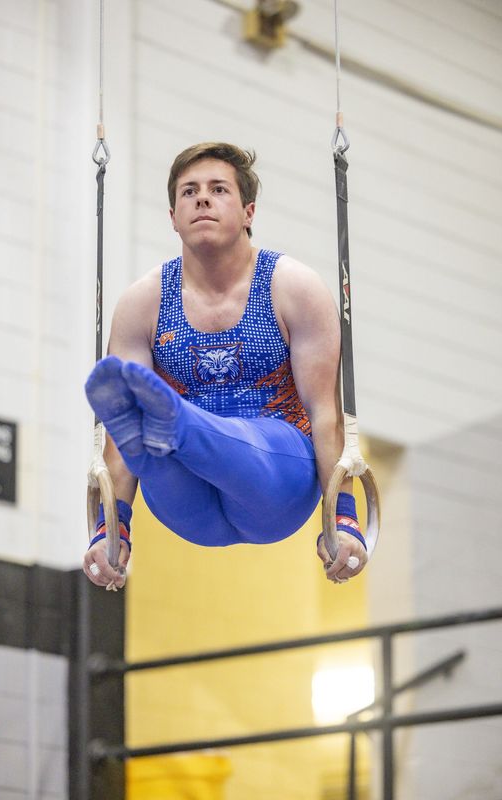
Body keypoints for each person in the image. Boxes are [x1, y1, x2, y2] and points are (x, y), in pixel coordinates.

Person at [83, 142, 367, 590]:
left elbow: (325, 415)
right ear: (173, 216)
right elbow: (119, 446)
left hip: (276, 480)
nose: (201, 198)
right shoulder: (143, 303)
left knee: (199, 437)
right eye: (188, 192)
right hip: (186, 506)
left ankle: (175, 422)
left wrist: (344, 518)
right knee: (148, 447)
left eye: (218, 189)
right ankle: (167, 429)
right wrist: (110, 528)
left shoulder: (293, 288)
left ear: (249, 212)